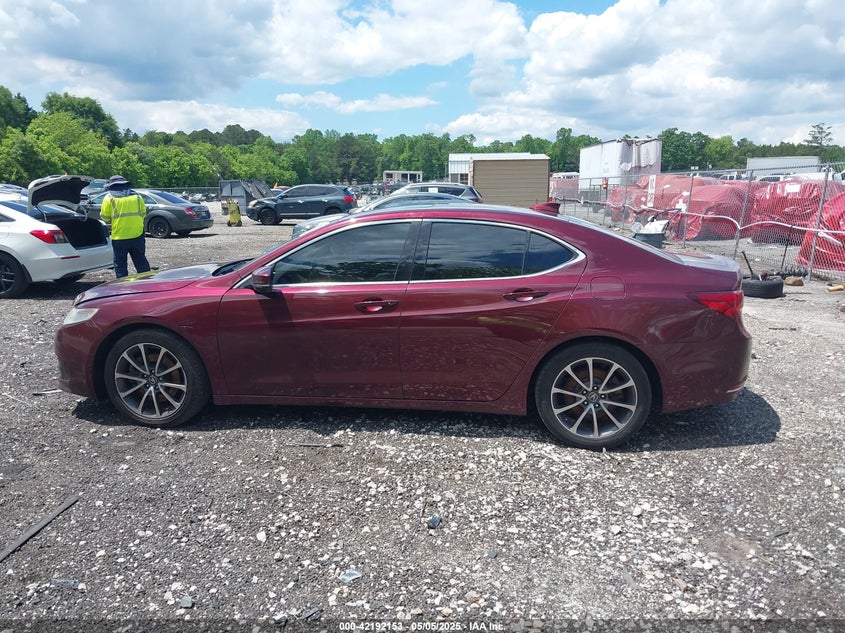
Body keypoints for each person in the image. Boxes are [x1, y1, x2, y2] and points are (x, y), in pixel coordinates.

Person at [100, 175, 151, 278]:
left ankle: (123, 286)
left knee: (120, 265)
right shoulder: (137, 196)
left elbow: (105, 217)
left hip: (119, 236)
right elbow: (143, 213)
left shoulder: (109, 198)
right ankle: (147, 283)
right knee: (141, 262)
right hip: (137, 235)